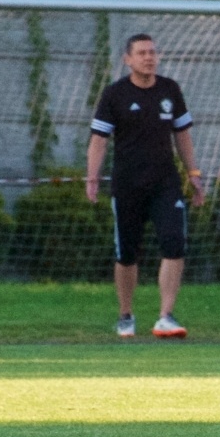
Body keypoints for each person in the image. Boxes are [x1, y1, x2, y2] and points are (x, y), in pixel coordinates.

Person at [85, 34, 205, 339]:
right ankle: (126, 316)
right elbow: (99, 140)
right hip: (127, 184)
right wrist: (92, 177)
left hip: (165, 183)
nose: (148, 58)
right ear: (128, 59)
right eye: (141, 53)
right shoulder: (115, 94)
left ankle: (166, 316)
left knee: (174, 242)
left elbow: (182, 135)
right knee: (127, 253)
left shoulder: (170, 90)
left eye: (152, 52)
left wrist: (193, 172)